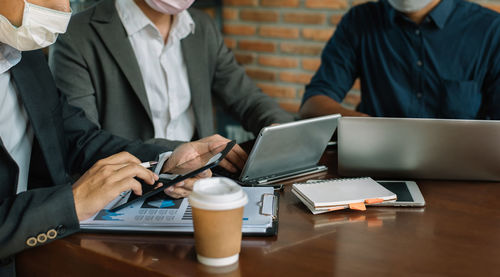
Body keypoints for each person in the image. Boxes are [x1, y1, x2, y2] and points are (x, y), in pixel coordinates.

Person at [0, 0, 224, 275]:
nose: (63, 8)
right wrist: (69, 204)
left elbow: (77, 139)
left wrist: (166, 163)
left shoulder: (26, 57)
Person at [49, 0, 295, 158]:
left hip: (201, 182)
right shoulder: (76, 36)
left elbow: (246, 98)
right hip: (128, 189)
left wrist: (280, 129)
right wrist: (179, 153)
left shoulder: (202, 26)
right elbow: (82, 142)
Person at [300, 0, 500, 120]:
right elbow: (314, 102)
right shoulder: (359, 21)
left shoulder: (490, 30)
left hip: (461, 172)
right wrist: (361, 125)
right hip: (377, 168)